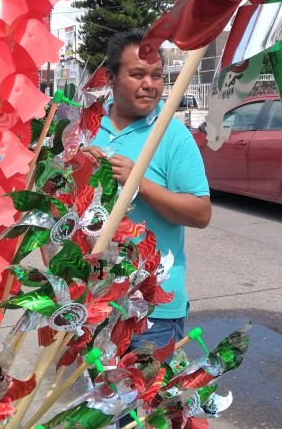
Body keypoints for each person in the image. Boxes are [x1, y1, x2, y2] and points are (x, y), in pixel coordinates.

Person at [82, 29, 211, 351]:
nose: (150, 84)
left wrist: (138, 183)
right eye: (137, 74)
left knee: (140, 399)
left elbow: (200, 213)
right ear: (111, 78)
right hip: (91, 301)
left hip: (152, 308)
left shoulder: (173, 135)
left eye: (157, 75)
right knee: (97, 398)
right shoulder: (85, 127)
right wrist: (74, 168)